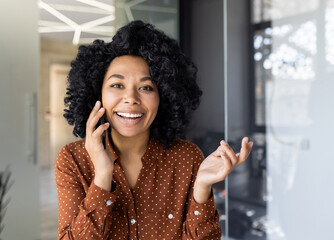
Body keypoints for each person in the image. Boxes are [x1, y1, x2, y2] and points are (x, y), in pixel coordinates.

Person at [56, 20, 253, 240]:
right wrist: (102, 176)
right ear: (97, 93)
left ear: (164, 97)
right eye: (117, 85)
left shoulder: (186, 158)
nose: (131, 98)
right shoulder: (73, 160)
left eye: (146, 87)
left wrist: (203, 187)